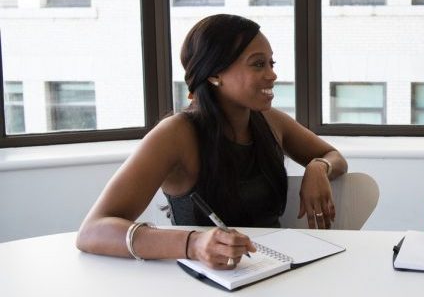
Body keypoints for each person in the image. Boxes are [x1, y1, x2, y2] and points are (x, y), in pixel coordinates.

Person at [76, 14, 348, 269]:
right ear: (215, 74)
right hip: (201, 280)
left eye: (271, 63)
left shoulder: (270, 120)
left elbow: (332, 155)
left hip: (270, 270)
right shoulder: (175, 134)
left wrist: (317, 167)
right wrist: (194, 243)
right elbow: (92, 231)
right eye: (257, 64)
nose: (272, 75)